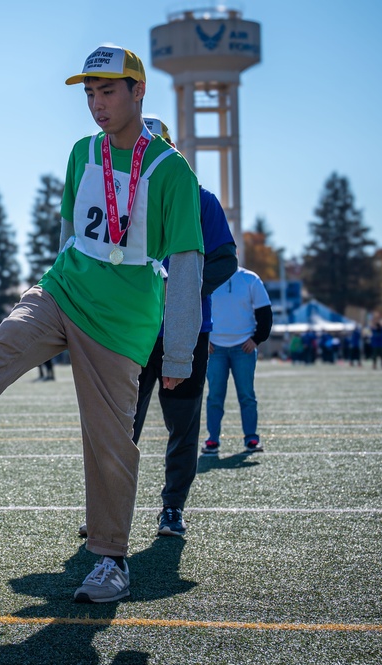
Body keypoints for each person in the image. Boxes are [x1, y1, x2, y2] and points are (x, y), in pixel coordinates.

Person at [0, 45, 204, 604]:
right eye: (90, 94)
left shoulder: (172, 172)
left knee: (110, 444)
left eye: (107, 91)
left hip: (121, 322)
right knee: (3, 343)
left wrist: (178, 354)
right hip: (64, 289)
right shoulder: (81, 152)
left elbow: (187, 267)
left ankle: (111, 562)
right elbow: (70, 230)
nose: (97, 104)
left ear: (138, 91)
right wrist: (54, 280)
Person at [115, 116, 237, 538]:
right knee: (118, 426)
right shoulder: (117, 199)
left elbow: (226, 261)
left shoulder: (201, 199)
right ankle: (109, 511)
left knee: (182, 426)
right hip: (130, 333)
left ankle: (172, 508)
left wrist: (178, 290)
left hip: (185, 334)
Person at [203, 267, 273, 455]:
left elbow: (265, 312)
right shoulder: (207, 275)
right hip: (214, 348)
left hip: (244, 348)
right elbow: (196, 308)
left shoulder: (250, 279)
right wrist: (203, 339)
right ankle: (212, 439)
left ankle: (251, 438)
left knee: (247, 395)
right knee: (214, 396)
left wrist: (257, 339)